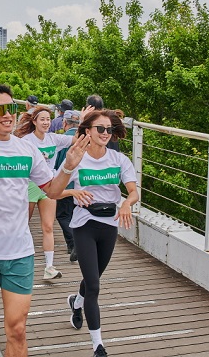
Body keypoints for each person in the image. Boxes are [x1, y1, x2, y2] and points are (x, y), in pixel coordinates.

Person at [0, 84, 90, 357]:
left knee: (17, 330)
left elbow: (52, 191)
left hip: (19, 252)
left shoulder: (26, 150)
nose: (7, 114)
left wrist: (69, 166)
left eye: (11, 108)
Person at [62, 109, 139, 357]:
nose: (106, 133)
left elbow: (133, 191)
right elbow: (52, 189)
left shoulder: (119, 160)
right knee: (94, 284)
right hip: (84, 223)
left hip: (109, 225)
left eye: (109, 129)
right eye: (100, 129)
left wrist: (127, 203)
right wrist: (74, 193)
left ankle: (76, 301)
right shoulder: (76, 158)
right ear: (87, 131)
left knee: (92, 278)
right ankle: (98, 346)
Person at [14, 106, 77, 280]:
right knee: (21, 225)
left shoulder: (54, 138)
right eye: (42, 119)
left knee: (48, 227)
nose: (46, 122)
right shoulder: (26, 141)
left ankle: (49, 267)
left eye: (48, 119)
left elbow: (77, 140)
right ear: (34, 121)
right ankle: (16, 260)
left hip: (48, 185)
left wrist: (84, 121)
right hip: (30, 185)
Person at [53, 110, 81, 262]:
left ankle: (75, 243)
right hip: (82, 184)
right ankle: (73, 245)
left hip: (66, 183)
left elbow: (57, 163)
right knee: (76, 214)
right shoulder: (85, 138)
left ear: (64, 123)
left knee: (63, 215)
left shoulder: (64, 140)